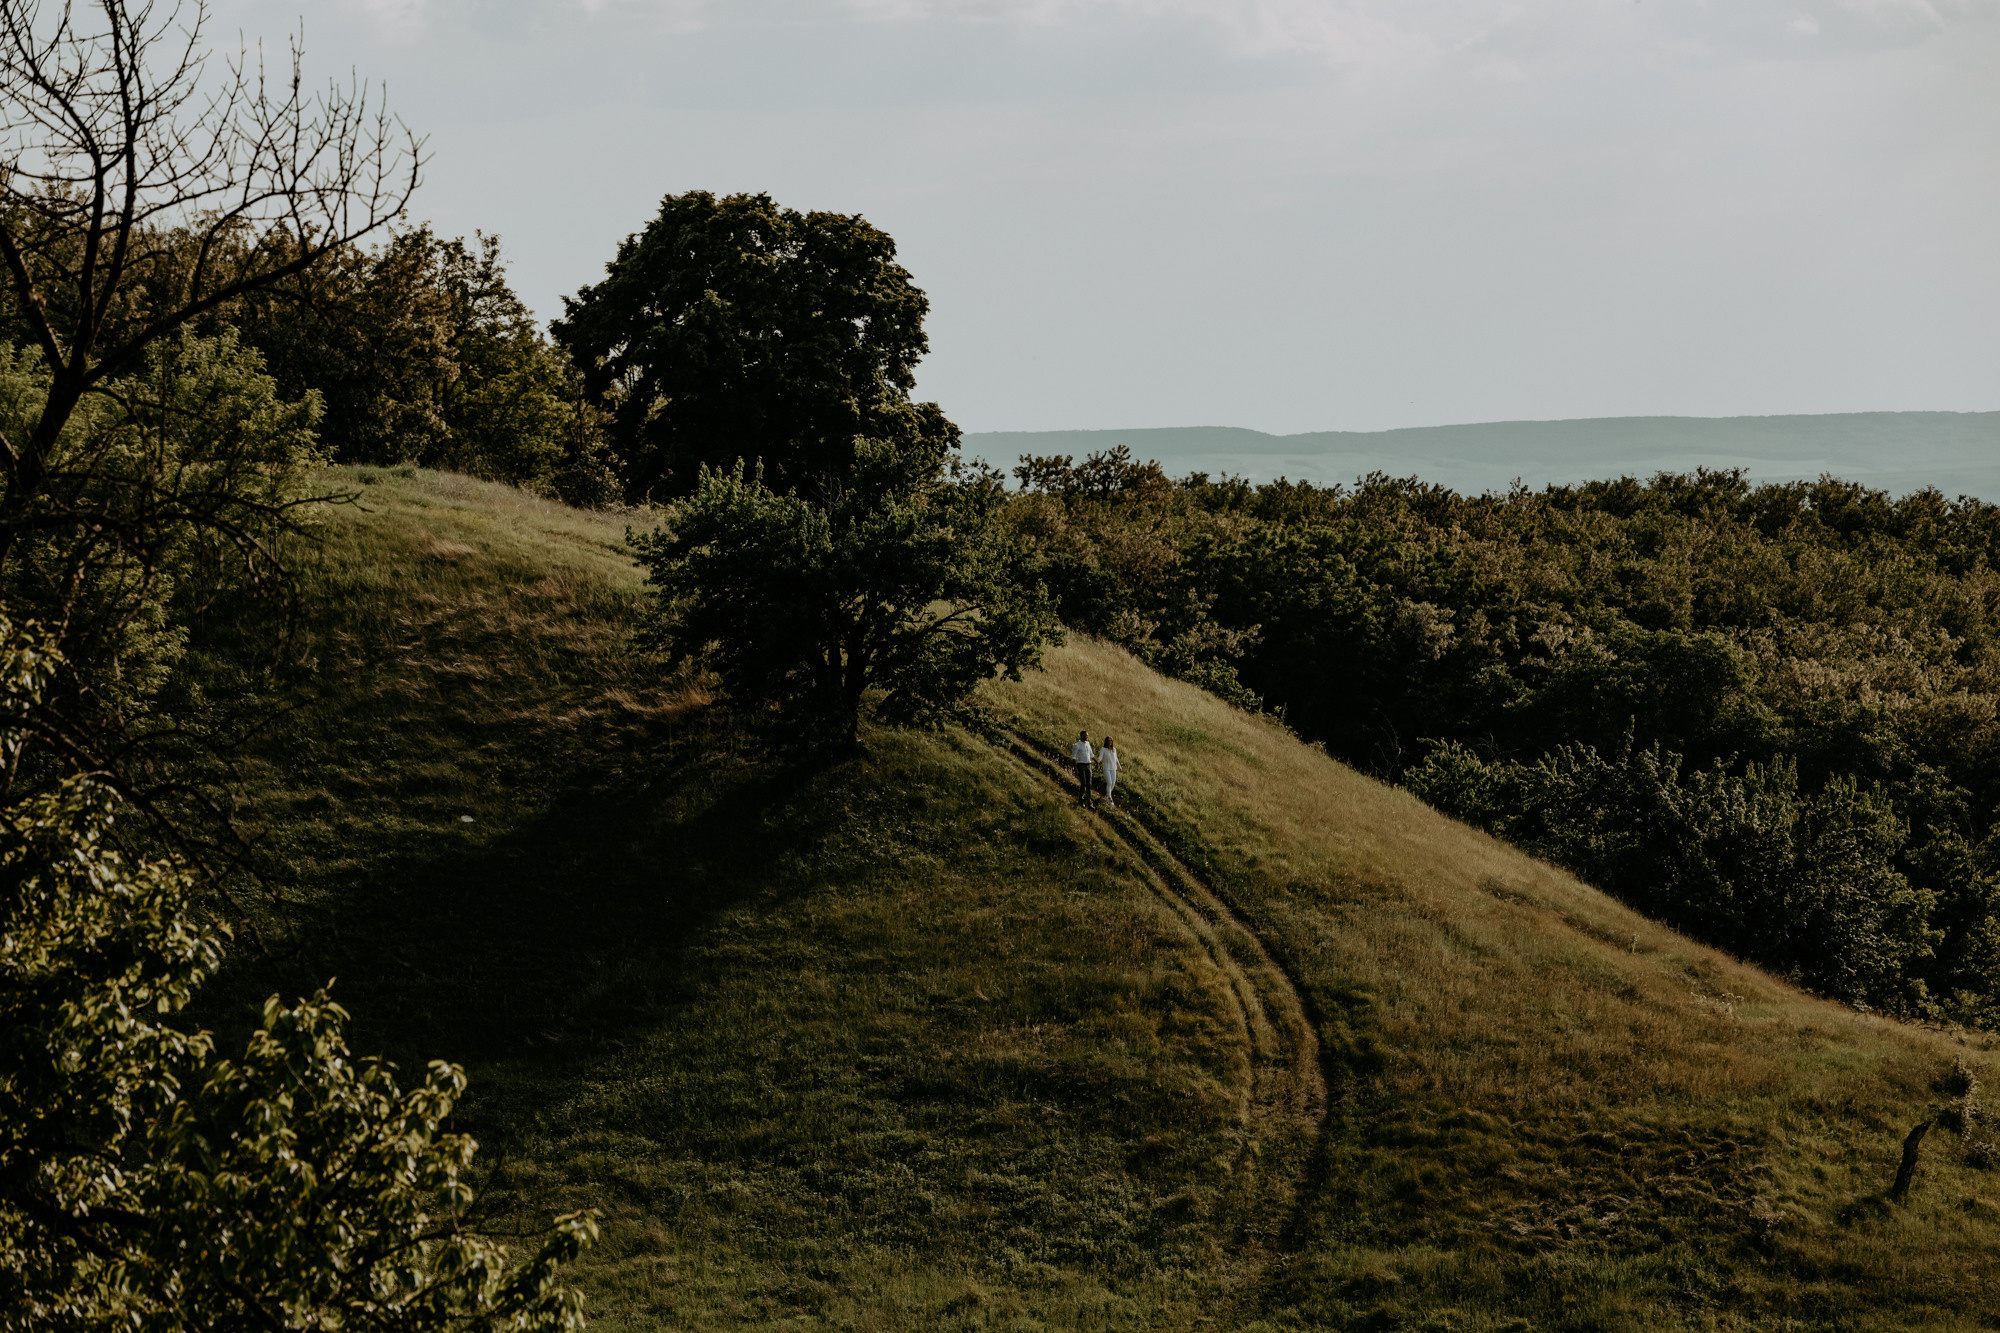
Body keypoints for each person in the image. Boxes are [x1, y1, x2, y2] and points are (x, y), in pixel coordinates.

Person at [1070, 729, 1095, 806]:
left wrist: (1096, 761)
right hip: (1081, 765)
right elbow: (1074, 757)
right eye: (1086, 735)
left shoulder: (1088, 744)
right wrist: (1075, 768)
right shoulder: (1076, 745)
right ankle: (1081, 800)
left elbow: (1091, 754)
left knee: (1089, 784)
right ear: (1082, 736)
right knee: (1083, 783)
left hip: (1088, 765)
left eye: (1087, 735)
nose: (1087, 736)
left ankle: (1089, 801)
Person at [1100, 735, 1119, 808]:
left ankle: (1106, 796)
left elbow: (1116, 759)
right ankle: (1110, 799)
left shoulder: (1114, 749)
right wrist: (1097, 761)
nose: (1110, 742)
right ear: (1106, 742)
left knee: (1113, 783)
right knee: (1109, 782)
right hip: (1106, 768)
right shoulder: (1103, 749)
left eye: (1111, 740)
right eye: (1108, 740)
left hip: (1113, 768)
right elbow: (1100, 757)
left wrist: (1119, 766)